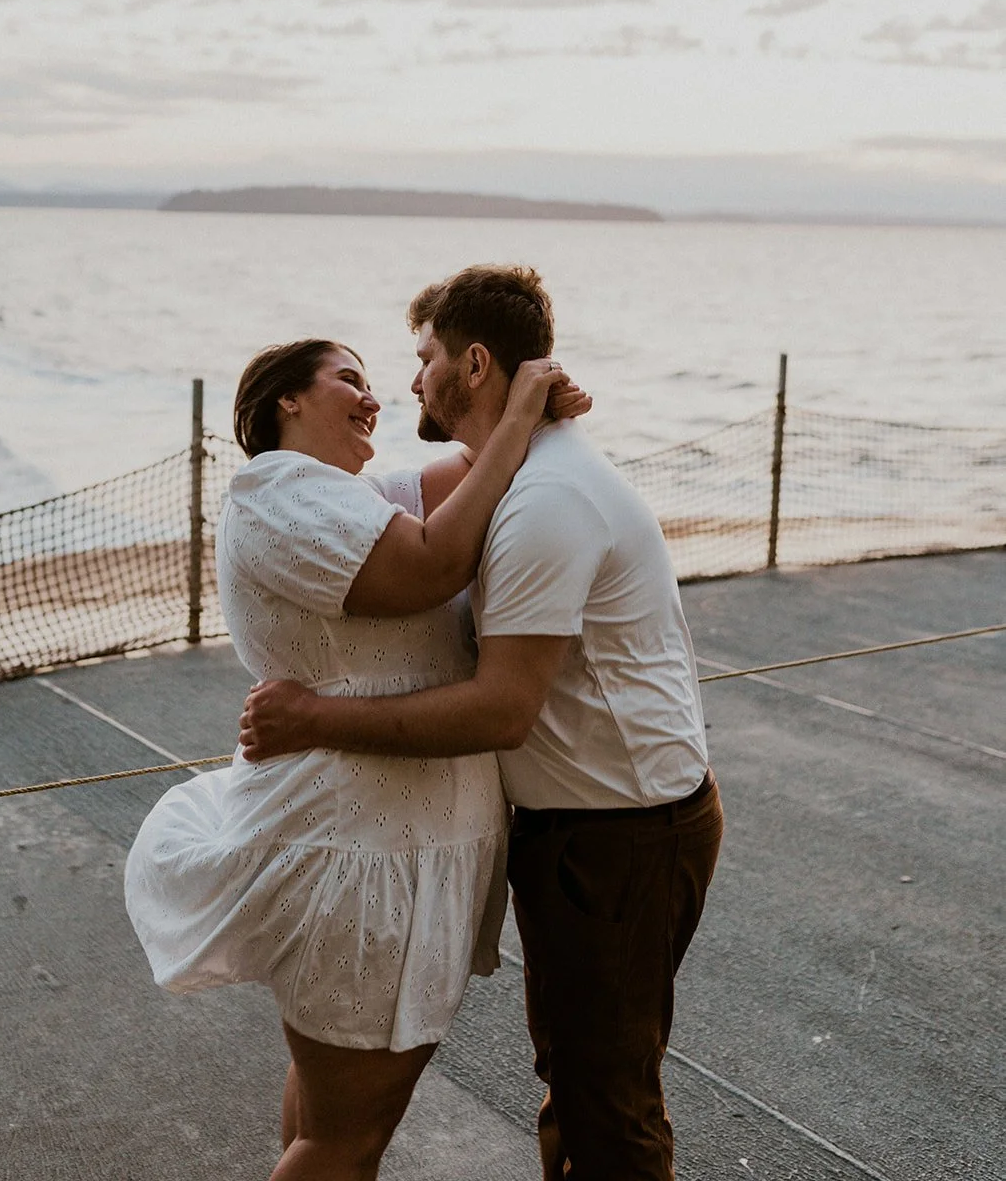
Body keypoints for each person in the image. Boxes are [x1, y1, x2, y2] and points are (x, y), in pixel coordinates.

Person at [240, 265, 725, 1181]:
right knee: (581, 1087)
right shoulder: (516, 476)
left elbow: (503, 708)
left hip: (620, 833)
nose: (407, 382)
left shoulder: (545, 500)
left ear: (469, 362)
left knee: (605, 1108)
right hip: (585, 826)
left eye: (421, 358)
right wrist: (521, 416)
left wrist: (316, 718)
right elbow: (392, 508)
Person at [124, 335, 588, 1181]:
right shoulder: (279, 493)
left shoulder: (347, 498)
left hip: (379, 850)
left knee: (325, 1113)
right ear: (285, 402)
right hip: (364, 856)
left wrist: (526, 416)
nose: (372, 398)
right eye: (349, 380)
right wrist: (520, 409)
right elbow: (429, 563)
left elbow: (470, 478)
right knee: (344, 1140)